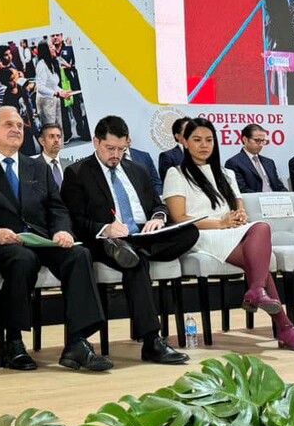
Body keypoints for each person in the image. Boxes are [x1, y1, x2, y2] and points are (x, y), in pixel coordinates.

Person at [0, 107, 112, 372]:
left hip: (41, 239)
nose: (16, 129)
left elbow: (57, 208)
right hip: (2, 243)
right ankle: (13, 343)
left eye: (20, 124)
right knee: (22, 259)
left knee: (79, 254)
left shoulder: (37, 167)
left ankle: (77, 342)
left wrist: (62, 230)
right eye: (9, 124)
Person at [164, 119, 294, 350]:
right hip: (201, 235)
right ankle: (283, 326)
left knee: (260, 228)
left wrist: (240, 218)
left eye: (209, 140)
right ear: (184, 142)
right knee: (260, 253)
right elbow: (179, 218)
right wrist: (220, 223)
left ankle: (260, 295)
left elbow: (240, 207)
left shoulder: (226, 173)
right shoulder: (176, 173)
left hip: (231, 232)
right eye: (196, 140)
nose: (204, 145)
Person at [61, 116, 194, 365]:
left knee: (190, 232)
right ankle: (152, 340)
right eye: (110, 148)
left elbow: (157, 203)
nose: (116, 154)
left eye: (122, 149)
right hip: (107, 241)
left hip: (143, 235)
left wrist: (158, 217)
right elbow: (75, 220)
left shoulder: (137, 170)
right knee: (135, 260)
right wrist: (106, 228)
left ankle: (141, 250)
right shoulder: (78, 173)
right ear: (96, 143)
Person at [226, 124, 286, 194]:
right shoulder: (234, 163)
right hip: (254, 202)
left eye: (263, 141)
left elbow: (279, 186)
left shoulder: (269, 162)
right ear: (245, 139)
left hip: (276, 201)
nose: (261, 144)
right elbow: (242, 190)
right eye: (257, 141)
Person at [157, 116, 191, 183]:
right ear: (177, 136)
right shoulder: (167, 156)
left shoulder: (202, 153)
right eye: (188, 130)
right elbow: (168, 183)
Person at [35, 122, 66, 189]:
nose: (56, 140)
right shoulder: (33, 168)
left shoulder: (69, 165)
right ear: (42, 141)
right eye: (51, 136)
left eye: (58, 136)